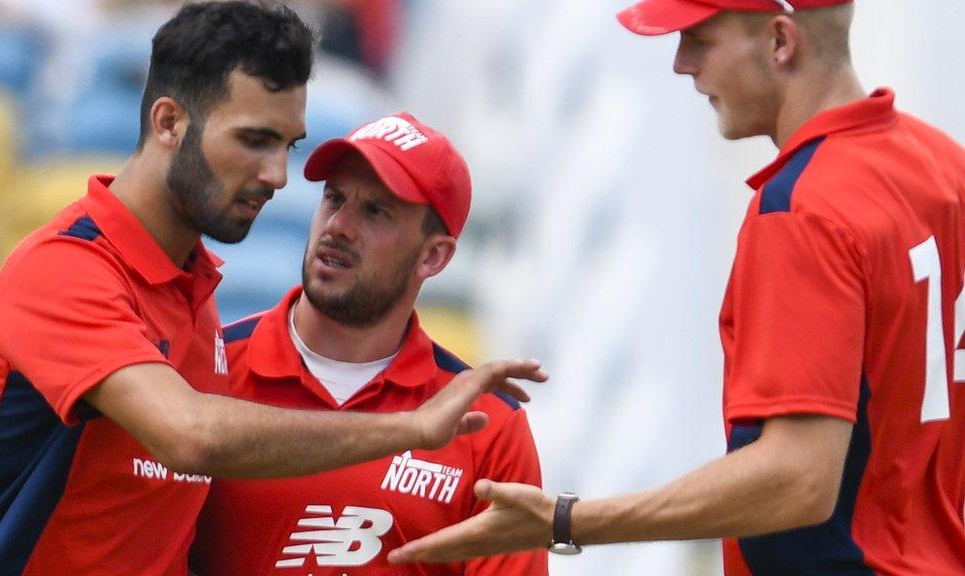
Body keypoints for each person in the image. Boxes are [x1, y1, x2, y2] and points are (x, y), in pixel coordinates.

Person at [0, 4, 544, 576]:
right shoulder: (63, 270)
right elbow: (190, 434)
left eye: (287, 146)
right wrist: (412, 430)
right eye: (255, 140)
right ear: (168, 122)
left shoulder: (197, 299)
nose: (278, 177)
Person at [387, 1, 965, 574]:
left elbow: (798, 480)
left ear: (780, 41)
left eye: (701, 39)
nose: (682, 64)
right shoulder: (943, 166)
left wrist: (565, 520)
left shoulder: (803, 209)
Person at [188, 112, 547, 575]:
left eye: (375, 211)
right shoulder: (209, 369)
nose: (338, 225)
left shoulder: (486, 425)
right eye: (334, 198)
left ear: (433, 255)